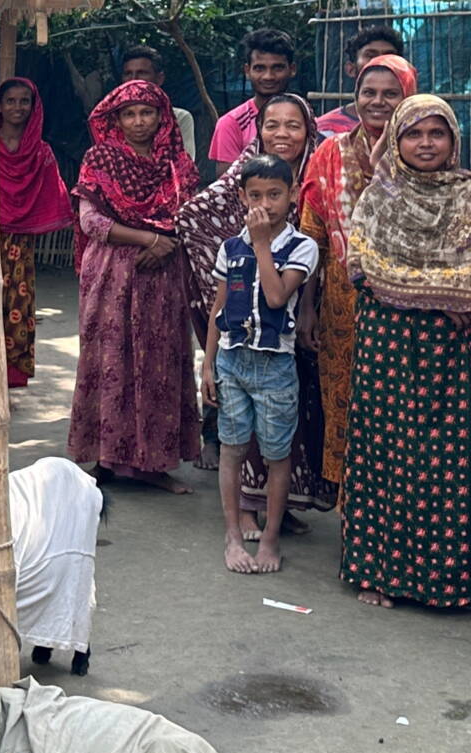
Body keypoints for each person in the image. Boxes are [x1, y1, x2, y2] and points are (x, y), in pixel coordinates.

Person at [339, 94, 471, 610]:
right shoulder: (378, 197)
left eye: (437, 133)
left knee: (451, 459)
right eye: (414, 134)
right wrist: (445, 295)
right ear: (396, 140)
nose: (426, 143)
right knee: (385, 454)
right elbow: (363, 266)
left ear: (454, 139)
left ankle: (451, 582)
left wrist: (439, 293)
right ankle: (377, 573)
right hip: (388, 348)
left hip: (454, 358)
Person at [178, 93, 330, 529]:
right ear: (258, 129)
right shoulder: (242, 177)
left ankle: (278, 507)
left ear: (309, 130)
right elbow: (193, 217)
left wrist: (309, 311)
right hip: (245, 323)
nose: (282, 134)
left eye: (293, 126)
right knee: (238, 428)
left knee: (287, 421)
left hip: (294, 310)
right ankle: (245, 506)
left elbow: (322, 237)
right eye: (272, 125)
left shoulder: (319, 170)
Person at [69, 79, 204, 492]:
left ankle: (154, 464)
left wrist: (168, 245)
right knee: (110, 363)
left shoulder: (177, 164)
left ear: (162, 117)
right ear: (116, 119)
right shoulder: (100, 159)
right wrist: (149, 239)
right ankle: (107, 461)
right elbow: (91, 221)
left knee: (159, 365)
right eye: (129, 114)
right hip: (111, 274)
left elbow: (192, 216)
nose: (139, 121)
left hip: (162, 278)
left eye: (147, 112)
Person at [300, 54, 415, 502]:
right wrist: (308, 307)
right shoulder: (330, 154)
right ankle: (356, 523)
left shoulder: (423, 148)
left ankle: (398, 518)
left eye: (391, 93)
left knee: (399, 416)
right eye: (369, 92)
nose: (378, 102)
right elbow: (314, 236)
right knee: (346, 411)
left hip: (405, 312)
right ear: (355, 97)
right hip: (342, 310)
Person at [201, 156, 319, 574]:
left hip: (274, 368)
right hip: (232, 361)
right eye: (255, 195)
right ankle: (233, 536)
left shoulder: (301, 247)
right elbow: (218, 307)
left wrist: (263, 244)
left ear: (292, 196)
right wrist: (208, 364)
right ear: (240, 197)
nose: (265, 204)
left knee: (276, 454)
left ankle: (270, 539)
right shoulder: (230, 247)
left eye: (275, 195)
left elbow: (275, 297)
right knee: (232, 449)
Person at [0, 77, 72, 388]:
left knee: (18, 302)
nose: (17, 107)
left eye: (24, 101)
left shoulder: (40, 152)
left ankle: (12, 372)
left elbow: (53, 195)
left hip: (21, 242)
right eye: (10, 101)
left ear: (34, 106)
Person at [208, 29, 300, 175]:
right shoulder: (231, 124)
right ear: (247, 70)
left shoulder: (305, 120)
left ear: (292, 69)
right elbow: (227, 188)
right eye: (259, 68)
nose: (268, 76)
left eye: (277, 68)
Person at [118, 45, 201, 164]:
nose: (134, 79)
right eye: (128, 73)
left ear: (160, 78)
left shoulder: (179, 118)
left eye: (142, 73)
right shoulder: (110, 118)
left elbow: (184, 167)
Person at [316, 27, 404, 137]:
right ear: (351, 69)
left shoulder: (419, 126)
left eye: (389, 56)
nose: (381, 62)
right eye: (371, 56)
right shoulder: (326, 130)